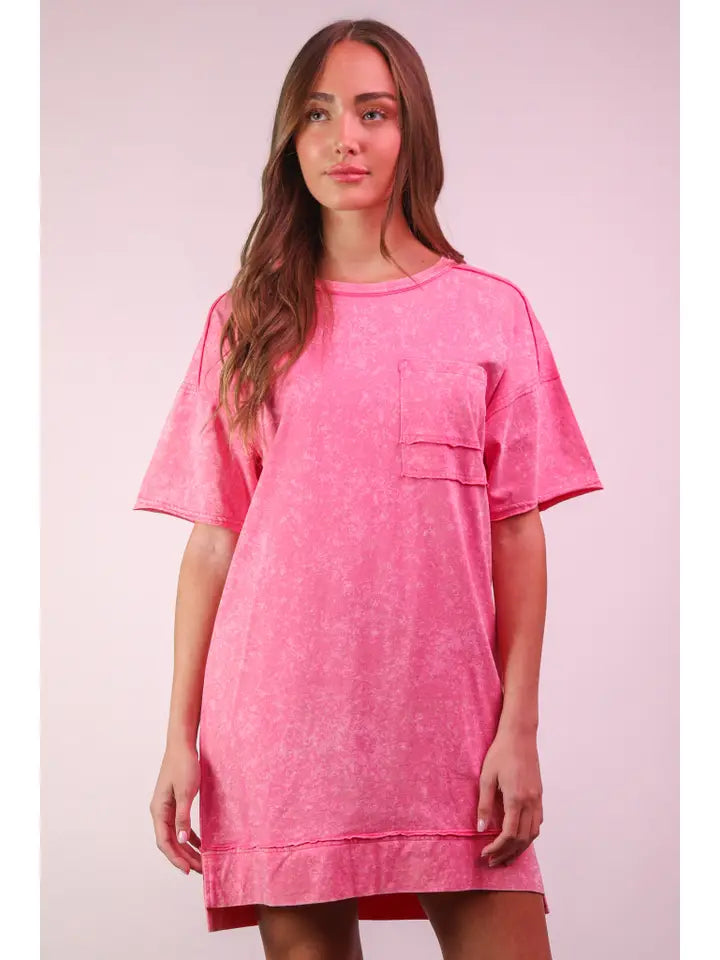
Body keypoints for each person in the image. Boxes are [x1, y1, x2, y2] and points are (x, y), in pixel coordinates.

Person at [134, 18, 603, 960]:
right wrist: (179, 737)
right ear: (289, 139)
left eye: (372, 112)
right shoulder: (246, 321)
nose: (343, 138)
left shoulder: (490, 313)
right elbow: (215, 542)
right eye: (317, 114)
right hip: (279, 724)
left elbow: (517, 532)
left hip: (452, 725)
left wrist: (518, 727)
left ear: (411, 130)